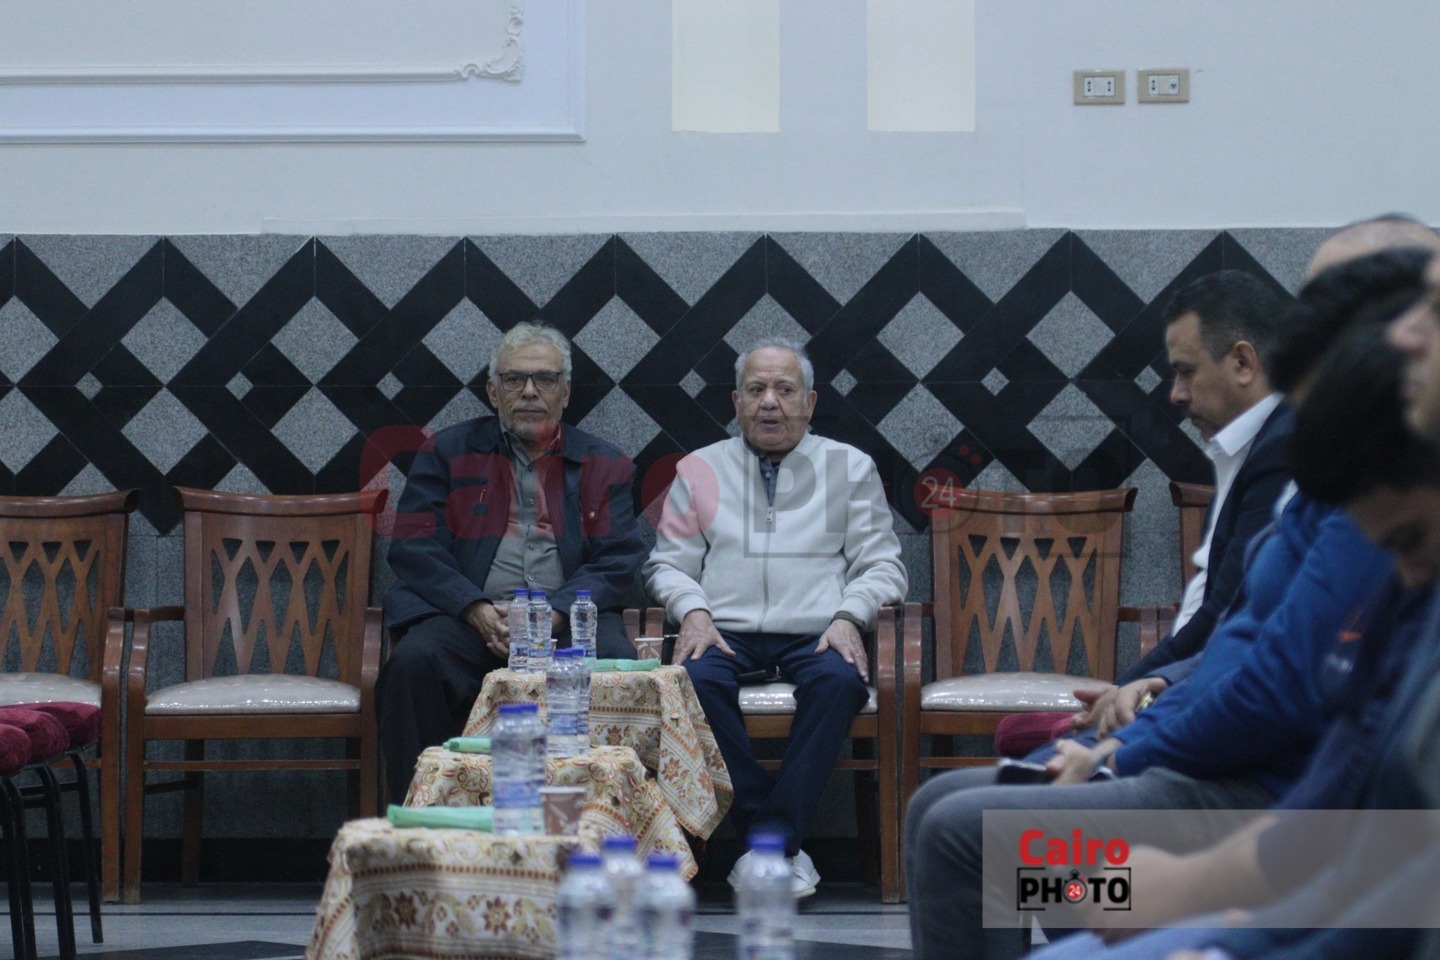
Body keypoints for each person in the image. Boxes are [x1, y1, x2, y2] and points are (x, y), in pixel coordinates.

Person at [904, 255, 1428, 960]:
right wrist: (1149, 694)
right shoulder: (1323, 478)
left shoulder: (1356, 494)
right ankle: (1097, 909)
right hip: (1235, 794)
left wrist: (1123, 759)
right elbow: (1238, 644)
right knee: (966, 822)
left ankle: (1100, 909)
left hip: (1246, 792)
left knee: (972, 835)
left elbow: (1283, 701)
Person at [643, 337, 907, 897]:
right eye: (756, 389)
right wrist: (693, 612)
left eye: (785, 390)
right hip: (724, 632)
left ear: (809, 402)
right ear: (736, 402)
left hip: (817, 632)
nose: (770, 402)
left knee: (839, 683)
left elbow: (883, 565)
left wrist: (848, 616)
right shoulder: (700, 469)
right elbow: (668, 565)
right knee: (690, 683)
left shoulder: (849, 467)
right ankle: (776, 846)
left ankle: (766, 845)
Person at [375, 323, 647, 803]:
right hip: (470, 619)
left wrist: (554, 614)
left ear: (565, 392)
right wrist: (475, 609)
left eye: (545, 379)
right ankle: (423, 817)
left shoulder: (604, 463)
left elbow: (618, 559)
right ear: (492, 391)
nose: (529, 392)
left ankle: (606, 818)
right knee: (414, 664)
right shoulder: (447, 452)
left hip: (567, 622)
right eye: (514, 379)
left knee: (614, 670)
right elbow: (413, 546)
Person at [1077, 271, 1292, 736]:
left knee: (995, 784)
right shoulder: (1252, 448)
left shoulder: (1283, 451)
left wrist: (1123, 694)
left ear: (1243, 362)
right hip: (1193, 695)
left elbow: (1226, 619)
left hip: (1222, 715)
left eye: (1186, 370)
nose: (1176, 393)